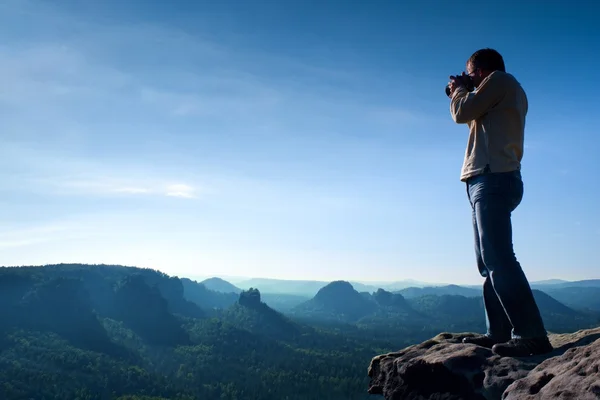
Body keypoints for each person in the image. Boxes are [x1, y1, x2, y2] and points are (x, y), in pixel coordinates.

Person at [447, 48, 553, 357]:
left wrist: (459, 91)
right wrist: (463, 91)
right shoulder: (503, 92)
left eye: (469, 72)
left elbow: (461, 113)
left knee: (499, 259)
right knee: (488, 263)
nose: (467, 78)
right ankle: (498, 331)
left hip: (492, 178)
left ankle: (532, 335)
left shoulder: (499, 81)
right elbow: (473, 118)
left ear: (479, 70)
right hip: (488, 178)